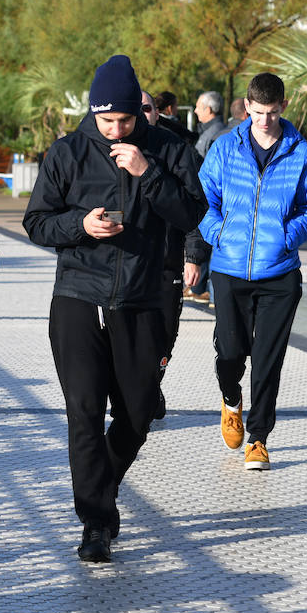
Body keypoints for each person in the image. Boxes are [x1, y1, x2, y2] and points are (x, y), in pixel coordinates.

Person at [23, 56, 205, 563]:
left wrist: (147, 173)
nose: (117, 130)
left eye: (126, 120)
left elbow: (193, 213)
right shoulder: (68, 153)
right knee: (83, 413)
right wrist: (82, 225)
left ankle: (99, 485)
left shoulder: (170, 149)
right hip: (78, 299)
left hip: (144, 300)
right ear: (93, 113)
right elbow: (37, 223)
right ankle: (97, 523)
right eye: (107, 122)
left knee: (138, 414)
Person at [199, 72, 307, 471]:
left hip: (280, 274)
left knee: (268, 359)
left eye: (271, 113)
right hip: (230, 269)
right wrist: (221, 235)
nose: (265, 121)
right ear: (246, 108)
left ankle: (258, 438)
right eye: (257, 113)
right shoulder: (224, 148)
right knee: (232, 353)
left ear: (283, 107)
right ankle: (230, 399)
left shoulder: (301, 152)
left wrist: (286, 237)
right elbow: (203, 202)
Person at [140, 90, 184, 420]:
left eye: (147, 108)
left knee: (165, 335)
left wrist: (195, 256)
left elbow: (196, 206)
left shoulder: (174, 149)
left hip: (168, 263)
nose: (142, 114)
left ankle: (152, 385)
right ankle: (136, 394)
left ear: (158, 113)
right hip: (130, 265)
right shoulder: (110, 151)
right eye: (135, 109)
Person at [193, 91, 225, 159]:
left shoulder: (215, 134)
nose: (195, 111)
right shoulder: (208, 130)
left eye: (198, 107)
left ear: (208, 110)